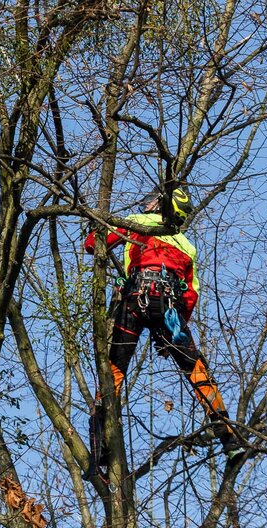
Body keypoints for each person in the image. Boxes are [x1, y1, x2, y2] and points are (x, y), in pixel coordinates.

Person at [83, 186, 237, 482]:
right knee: (196, 370)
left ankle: (98, 452)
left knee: (112, 372)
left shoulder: (135, 223)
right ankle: (229, 438)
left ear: (160, 206)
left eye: (151, 201)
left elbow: (93, 245)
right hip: (170, 309)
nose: (145, 204)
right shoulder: (186, 244)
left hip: (134, 302)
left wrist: (95, 229)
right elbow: (191, 294)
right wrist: (173, 333)